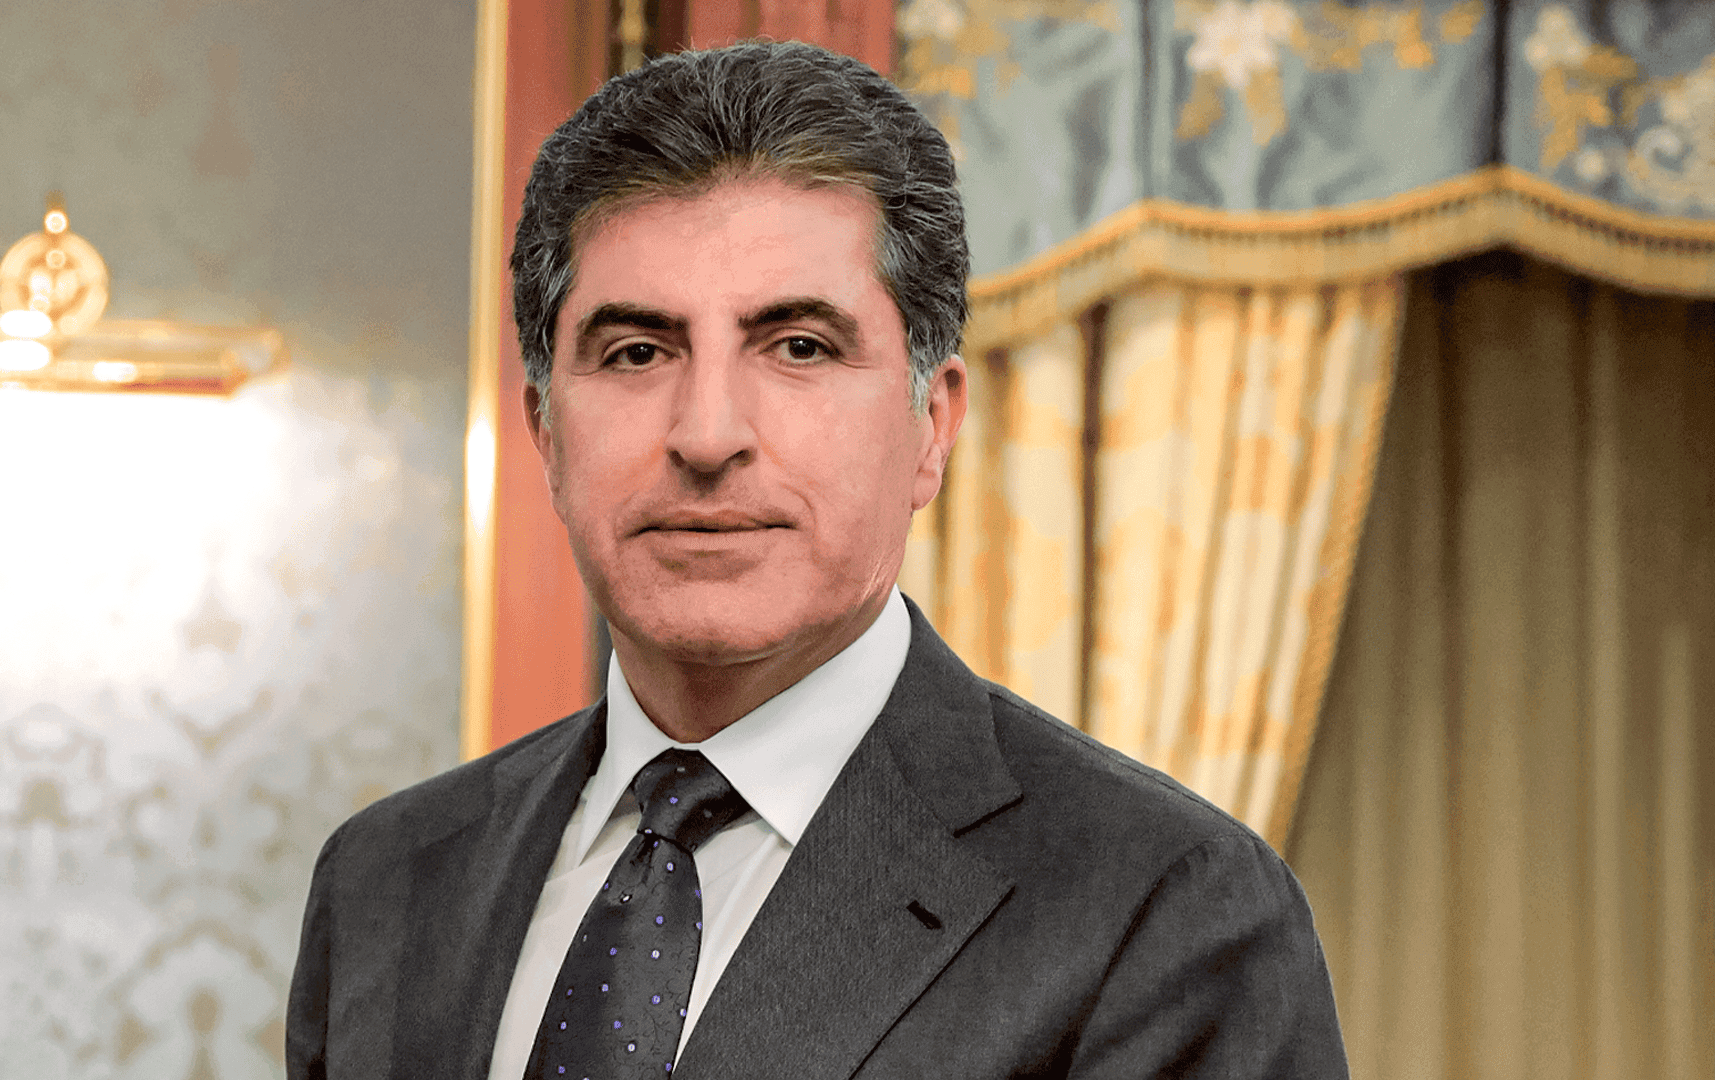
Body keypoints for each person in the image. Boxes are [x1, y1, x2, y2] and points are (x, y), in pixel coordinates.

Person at [286, 41, 1348, 1080]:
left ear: (932, 427)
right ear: (547, 435)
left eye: (799, 348)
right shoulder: (385, 879)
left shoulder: (1165, 910)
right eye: (637, 352)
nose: (708, 435)